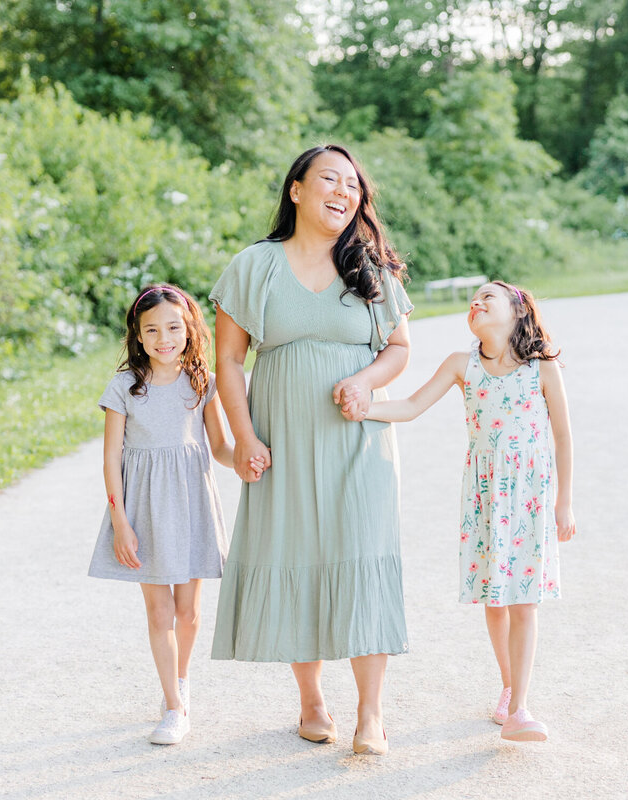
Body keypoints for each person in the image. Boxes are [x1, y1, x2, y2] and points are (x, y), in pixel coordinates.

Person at [209, 144, 413, 756]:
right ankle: (311, 701)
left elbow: (400, 350)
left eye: (353, 185)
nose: (344, 192)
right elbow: (228, 360)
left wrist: (366, 381)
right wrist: (244, 436)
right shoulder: (255, 266)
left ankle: (371, 714)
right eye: (330, 179)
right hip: (284, 439)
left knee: (362, 554)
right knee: (296, 552)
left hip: (360, 439)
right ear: (296, 189)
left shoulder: (370, 268)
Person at [358, 280, 576, 743]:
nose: (476, 302)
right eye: (472, 299)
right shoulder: (463, 366)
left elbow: (562, 436)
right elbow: (414, 405)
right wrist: (364, 410)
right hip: (486, 497)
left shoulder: (542, 368)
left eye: (488, 297)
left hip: (531, 497)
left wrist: (564, 502)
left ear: (518, 311)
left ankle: (519, 709)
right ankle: (509, 685)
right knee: (495, 600)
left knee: (524, 601)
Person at [89, 283, 246, 746]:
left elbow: (218, 445)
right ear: (138, 336)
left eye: (174, 327)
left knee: (189, 611)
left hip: (192, 504)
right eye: (152, 330)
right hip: (145, 511)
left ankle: (180, 681)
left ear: (189, 329)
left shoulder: (203, 382)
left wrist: (243, 456)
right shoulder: (124, 388)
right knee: (160, 613)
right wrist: (121, 521)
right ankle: (174, 708)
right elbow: (110, 459)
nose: (164, 338)